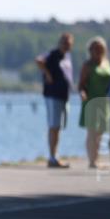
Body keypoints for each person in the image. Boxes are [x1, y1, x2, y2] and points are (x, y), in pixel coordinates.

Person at [35, 33, 75, 168]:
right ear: (59, 43)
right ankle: (52, 158)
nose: (66, 45)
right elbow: (39, 60)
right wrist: (47, 74)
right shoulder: (53, 54)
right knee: (54, 126)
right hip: (53, 95)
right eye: (64, 42)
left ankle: (54, 155)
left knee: (58, 127)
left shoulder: (67, 57)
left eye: (68, 43)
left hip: (63, 96)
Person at [77, 36, 110, 169]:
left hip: (105, 101)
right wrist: (82, 93)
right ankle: (92, 161)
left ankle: (96, 158)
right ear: (90, 50)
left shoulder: (106, 63)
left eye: (100, 48)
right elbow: (80, 85)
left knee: (100, 132)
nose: (97, 51)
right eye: (94, 48)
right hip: (91, 100)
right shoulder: (87, 65)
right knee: (92, 132)